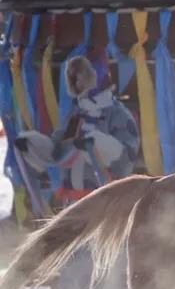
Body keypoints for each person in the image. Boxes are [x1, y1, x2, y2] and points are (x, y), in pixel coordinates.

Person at [15, 55, 139, 203]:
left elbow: (126, 158)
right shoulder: (76, 117)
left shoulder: (117, 114)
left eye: (80, 79)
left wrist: (96, 145)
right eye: (75, 81)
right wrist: (31, 145)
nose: (78, 85)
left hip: (105, 203)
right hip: (73, 203)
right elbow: (57, 149)